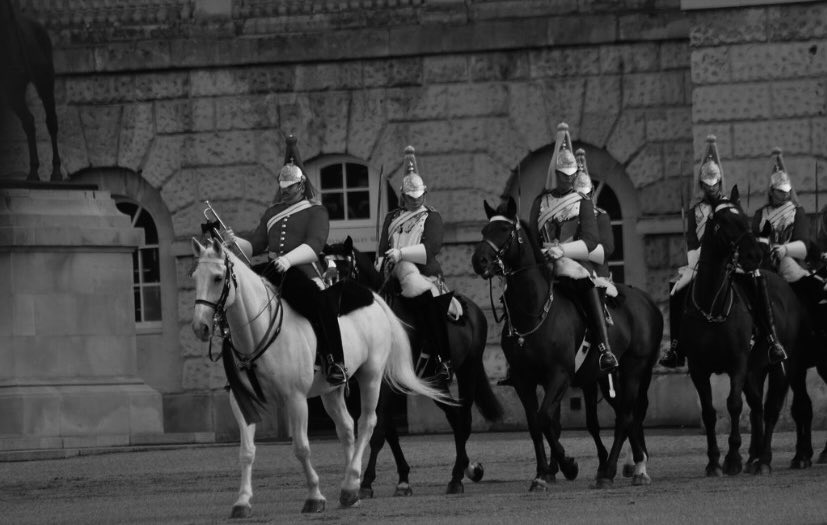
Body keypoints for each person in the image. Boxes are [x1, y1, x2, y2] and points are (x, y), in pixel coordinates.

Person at [223, 134, 348, 386]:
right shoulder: (272, 212)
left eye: (290, 186)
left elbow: (315, 245)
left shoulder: (316, 210)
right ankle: (240, 359)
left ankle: (334, 360)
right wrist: (233, 240)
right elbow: (258, 243)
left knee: (319, 304)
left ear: (301, 186)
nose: (285, 190)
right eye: (283, 185)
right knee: (235, 291)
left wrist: (288, 260)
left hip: (301, 270)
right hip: (273, 268)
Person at [528, 122, 618, 372]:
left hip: (572, 260)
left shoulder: (583, 202)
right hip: (544, 259)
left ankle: (604, 348)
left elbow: (591, 241)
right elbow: (534, 234)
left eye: (571, 174)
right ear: (555, 173)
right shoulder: (541, 201)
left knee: (585, 282)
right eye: (563, 174)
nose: (568, 178)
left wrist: (563, 251)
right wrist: (540, 252)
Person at [375, 145, 454, 385]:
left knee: (428, 305)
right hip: (392, 276)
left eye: (418, 196)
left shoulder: (432, 216)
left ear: (424, 193)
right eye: (410, 196)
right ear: (403, 194)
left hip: (423, 275)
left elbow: (431, 249)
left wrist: (400, 253)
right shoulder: (392, 217)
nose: (414, 200)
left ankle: (442, 359)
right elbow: (381, 248)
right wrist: (381, 265)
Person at [660, 135, 728, 368]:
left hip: (727, 261)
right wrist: (695, 261)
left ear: (720, 183)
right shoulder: (694, 212)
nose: (711, 188)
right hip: (699, 262)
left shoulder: (730, 207)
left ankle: (763, 336)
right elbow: (691, 240)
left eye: (714, 184)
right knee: (676, 291)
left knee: (753, 283)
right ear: (702, 185)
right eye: (707, 185)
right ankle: (677, 347)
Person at [748, 147, 814, 364]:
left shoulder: (797, 212)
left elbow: (804, 245)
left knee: (806, 289)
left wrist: (785, 250)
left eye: (786, 190)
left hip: (789, 261)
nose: (784, 194)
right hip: (764, 262)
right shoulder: (761, 214)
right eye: (779, 190)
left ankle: (811, 331)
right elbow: (755, 237)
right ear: (771, 191)